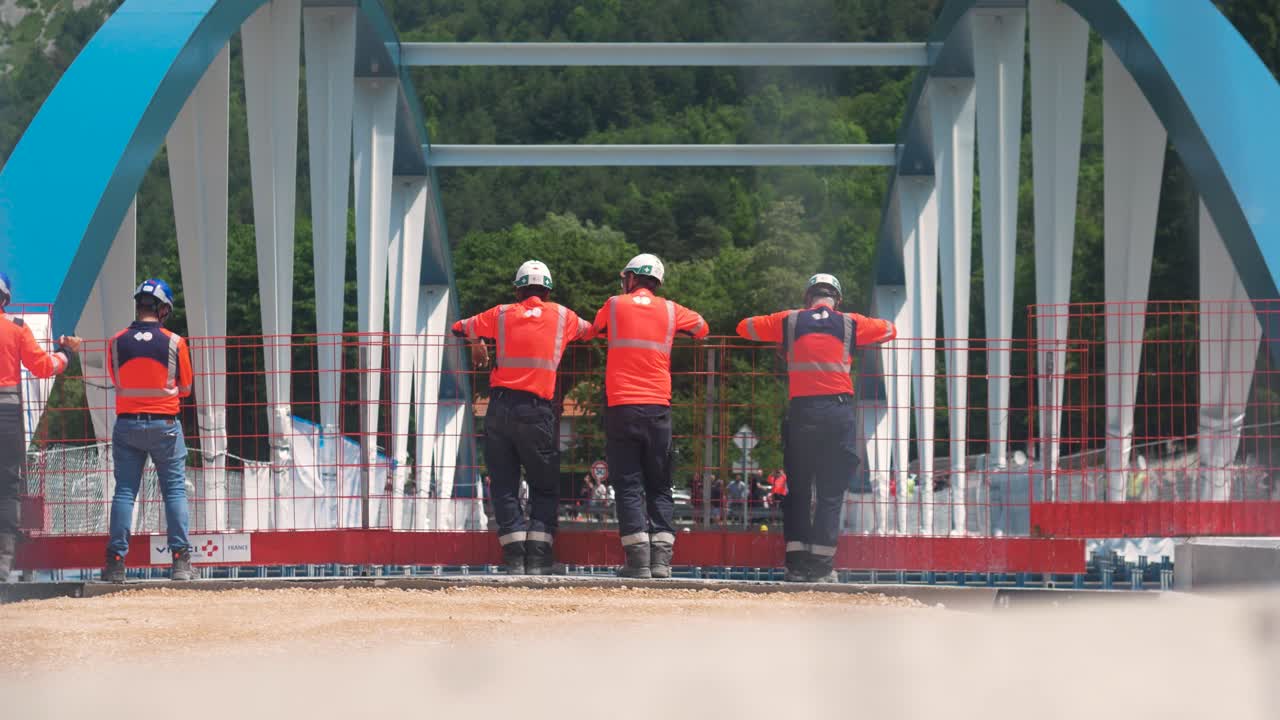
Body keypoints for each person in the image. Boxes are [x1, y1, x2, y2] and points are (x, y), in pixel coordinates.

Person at [737, 273, 895, 582]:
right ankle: (822, 568)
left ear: (808, 297)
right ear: (837, 299)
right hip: (838, 413)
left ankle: (796, 566)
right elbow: (890, 330)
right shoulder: (850, 323)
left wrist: (784, 336)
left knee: (797, 491)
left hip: (803, 414)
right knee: (830, 493)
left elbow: (745, 327)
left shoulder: (790, 320)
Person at [452, 260, 591, 574]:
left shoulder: (500, 314)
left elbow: (459, 327)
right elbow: (591, 330)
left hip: (500, 407)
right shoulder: (563, 316)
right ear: (548, 289)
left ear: (518, 289)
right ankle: (539, 557)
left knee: (504, 484)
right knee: (544, 484)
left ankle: (514, 556)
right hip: (537, 410)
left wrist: (477, 343)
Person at [588, 253, 708, 578]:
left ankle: (638, 562)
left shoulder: (614, 304)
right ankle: (662, 562)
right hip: (658, 407)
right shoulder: (671, 310)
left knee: (627, 485)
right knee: (660, 485)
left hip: (622, 407)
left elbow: (594, 329)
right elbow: (701, 327)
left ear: (631, 279)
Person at [103, 279, 196, 583]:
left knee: (125, 492)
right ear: (162, 308)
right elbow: (186, 388)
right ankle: (181, 563)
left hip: (127, 424)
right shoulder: (174, 342)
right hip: (164, 425)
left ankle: (116, 563)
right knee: (174, 492)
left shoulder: (116, 341)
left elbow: (116, 379)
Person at [0, 272, 81, 581]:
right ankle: (2, 566)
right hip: (6, 414)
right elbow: (45, 367)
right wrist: (67, 353)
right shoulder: (16, 329)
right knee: (6, 491)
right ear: (6, 299)